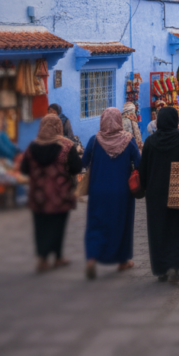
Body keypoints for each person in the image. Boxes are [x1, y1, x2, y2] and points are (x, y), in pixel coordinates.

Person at [139, 106, 179, 283]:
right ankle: (174, 265)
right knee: (178, 229)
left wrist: (143, 187)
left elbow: (143, 169)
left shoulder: (150, 141)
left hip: (155, 193)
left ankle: (161, 269)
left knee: (157, 230)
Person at [83, 107, 141, 280]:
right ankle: (123, 261)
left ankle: (92, 258)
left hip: (97, 190)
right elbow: (139, 163)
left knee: (96, 222)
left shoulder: (94, 140)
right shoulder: (128, 140)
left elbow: (84, 162)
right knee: (121, 223)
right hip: (121, 192)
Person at [20, 114, 82, 273]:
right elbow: (77, 167)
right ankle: (58, 257)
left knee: (40, 225)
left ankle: (42, 259)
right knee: (58, 225)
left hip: (38, 195)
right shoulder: (67, 145)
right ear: (58, 127)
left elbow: (24, 169)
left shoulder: (32, 146)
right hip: (60, 195)